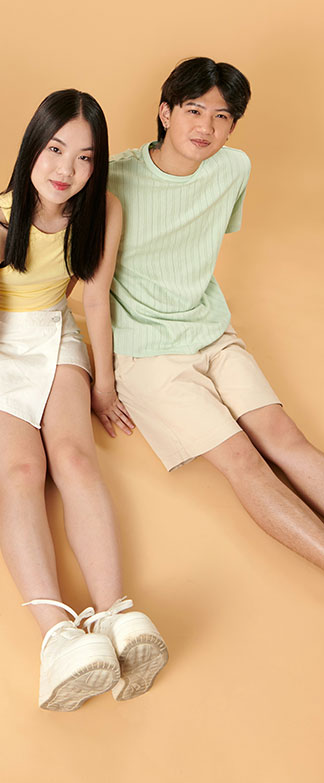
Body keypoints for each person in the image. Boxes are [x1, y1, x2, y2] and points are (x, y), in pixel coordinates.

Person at [0, 90, 167, 712]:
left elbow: (93, 299)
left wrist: (104, 385)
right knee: (23, 471)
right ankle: (59, 640)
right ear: (32, 149)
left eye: (84, 158)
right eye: (54, 150)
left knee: (74, 459)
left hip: (56, 331)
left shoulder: (104, 210)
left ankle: (116, 618)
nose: (65, 170)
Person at [108, 57, 324, 569]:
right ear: (165, 112)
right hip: (148, 353)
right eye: (194, 110)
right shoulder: (112, 179)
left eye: (221, 116)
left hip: (212, 331)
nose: (206, 126)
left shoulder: (234, 168)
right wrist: (100, 380)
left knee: (285, 438)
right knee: (244, 461)